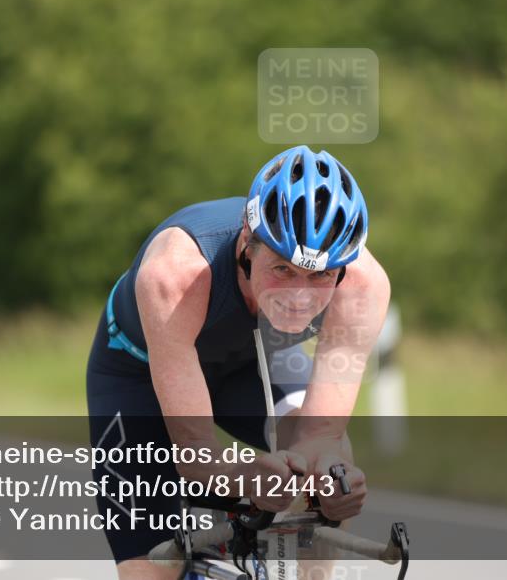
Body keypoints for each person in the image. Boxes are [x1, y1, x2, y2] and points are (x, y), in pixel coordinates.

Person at [86, 145, 391, 578]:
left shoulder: (362, 288)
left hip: (248, 363)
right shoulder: (177, 273)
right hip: (137, 373)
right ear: (247, 244)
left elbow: (319, 435)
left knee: (335, 459)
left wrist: (327, 479)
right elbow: (195, 457)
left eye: (320, 276)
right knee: (150, 569)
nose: (299, 296)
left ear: (342, 269)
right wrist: (247, 477)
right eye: (282, 270)